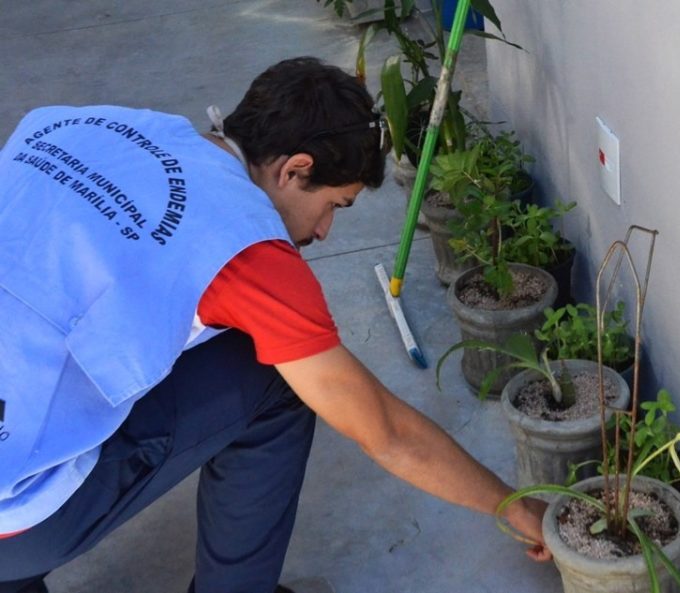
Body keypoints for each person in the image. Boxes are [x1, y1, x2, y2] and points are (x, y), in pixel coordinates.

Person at [0, 56, 549, 593]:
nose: (326, 230)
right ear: (294, 169)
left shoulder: (68, 124)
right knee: (276, 377)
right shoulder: (244, 248)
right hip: (14, 525)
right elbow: (387, 432)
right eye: (336, 203)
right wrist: (516, 507)